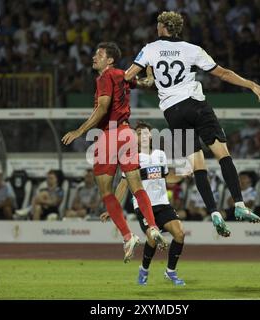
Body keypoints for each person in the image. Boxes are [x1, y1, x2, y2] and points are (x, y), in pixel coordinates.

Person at [124, 11, 260, 238]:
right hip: (195, 105)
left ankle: (213, 212)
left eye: (158, 25)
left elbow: (129, 75)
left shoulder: (150, 48)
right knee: (222, 154)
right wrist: (250, 84)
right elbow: (223, 73)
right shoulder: (192, 49)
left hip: (173, 112)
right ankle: (239, 204)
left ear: (162, 27)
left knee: (198, 165)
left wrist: (143, 80)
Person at [61, 42, 167, 263]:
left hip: (109, 136)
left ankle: (128, 236)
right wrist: (149, 73)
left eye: (99, 54)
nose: (94, 57)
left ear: (109, 60)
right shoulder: (122, 75)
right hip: (127, 133)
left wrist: (79, 130)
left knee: (106, 192)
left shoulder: (104, 78)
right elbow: (148, 83)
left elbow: (101, 108)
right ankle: (153, 227)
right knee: (136, 185)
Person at [101, 121, 186, 285]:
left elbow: (167, 178)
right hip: (144, 206)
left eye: (146, 132)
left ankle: (171, 272)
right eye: (139, 133)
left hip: (163, 203)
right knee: (152, 238)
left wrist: (183, 175)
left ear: (151, 135)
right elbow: (123, 185)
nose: (143, 135)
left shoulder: (160, 154)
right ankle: (144, 270)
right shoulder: (132, 158)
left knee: (180, 234)